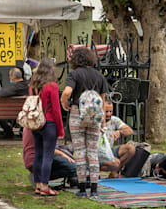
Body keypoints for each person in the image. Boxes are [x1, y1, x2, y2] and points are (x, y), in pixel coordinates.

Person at [60, 47, 110, 198]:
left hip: (77, 114)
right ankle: (94, 190)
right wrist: (102, 122)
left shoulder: (74, 74)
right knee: (92, 152)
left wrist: (64, 102)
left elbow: (67, 92)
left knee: (80, 152)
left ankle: (82, 189)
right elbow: (102, 100)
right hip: (95, 116)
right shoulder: (99, 76)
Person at [25, 59, 64, 196]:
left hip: (36, 123)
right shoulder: (51, 86)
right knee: (48, 156)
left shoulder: (33, 86)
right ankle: (45, 186)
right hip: (49, 123)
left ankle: (37, 184)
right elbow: (56, 110)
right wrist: (60, 129)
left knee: (38, 154)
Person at [99, 101, 135, 178]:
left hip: (110, 150)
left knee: (131, 149)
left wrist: (120, 132)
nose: (108, 114)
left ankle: (113, 172)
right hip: (97, 152)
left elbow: (130, 131)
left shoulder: (114, 120)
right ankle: (95, 172)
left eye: (110, 111)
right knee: (115, 162)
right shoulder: (95, 120)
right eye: (106, 111)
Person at [0, 67, 29, 139]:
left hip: (14, 112)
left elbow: (2, 94)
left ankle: (9, 132)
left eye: (9, 75)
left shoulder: (16, 87)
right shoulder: (28, 85)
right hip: (26, 111)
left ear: (13, 77)